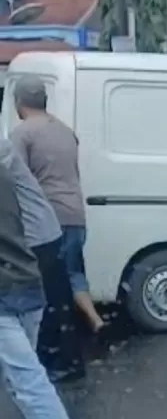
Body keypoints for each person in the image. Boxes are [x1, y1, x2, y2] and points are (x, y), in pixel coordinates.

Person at [10, 75, 113, 344]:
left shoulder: (22, 134)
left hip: (47, 220)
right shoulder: (65, 131)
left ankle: (51, 342)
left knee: (47, 283)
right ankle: (95, 322)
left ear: (19, 102)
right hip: (75, 213)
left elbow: (14, 179)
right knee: (73, 272)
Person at [0, 139, 86, 383]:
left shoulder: (5, 146)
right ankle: (61, 363)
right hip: (40, 230)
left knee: (47, 305)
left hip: (34, 234)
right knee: (54, 303)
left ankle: (56, 365)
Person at [0, 163, 70, 418]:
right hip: (27, 281)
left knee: (27, 382)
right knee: (21, 378)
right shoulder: (4, 172)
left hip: (5, 291)